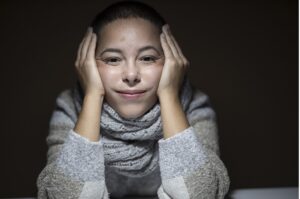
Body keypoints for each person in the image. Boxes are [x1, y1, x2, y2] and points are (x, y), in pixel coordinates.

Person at [36, 1, 230, 198]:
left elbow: (203, 194)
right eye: (113, 59)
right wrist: (93, 96)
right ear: (88, 65)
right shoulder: (70, 107)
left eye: (147, 58)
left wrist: (170, 97)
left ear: (172, 62)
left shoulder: (194, 106)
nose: (131, 74)